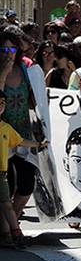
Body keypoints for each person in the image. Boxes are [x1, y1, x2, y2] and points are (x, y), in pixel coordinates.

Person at [0, 89, 47, 248]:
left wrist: (38, 144)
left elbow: (20, 142)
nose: (0, 106)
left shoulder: (5, 128)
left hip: (1, 174)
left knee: (6, 203)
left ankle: (15, 233)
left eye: (2, 103)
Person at [0, 29, 37, 223]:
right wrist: (3, 74)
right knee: (7, 186)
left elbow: (36, 96)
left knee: (26, 184)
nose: (8, 53)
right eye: (3, 49)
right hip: (3, 136)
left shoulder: (25, 68)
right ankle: (11, 229)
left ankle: (11, 221)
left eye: (12, 49)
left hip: (23, 133)